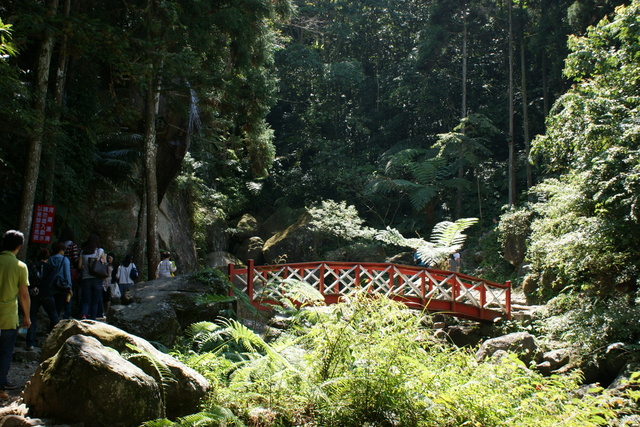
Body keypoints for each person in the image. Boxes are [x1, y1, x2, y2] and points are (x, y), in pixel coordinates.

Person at [0, 230, 30, 399]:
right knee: (5, 352)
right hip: (8, 317)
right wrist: (26, 316)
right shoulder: (19, 266)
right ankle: (0, 385)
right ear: (19, 246)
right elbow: (24, 295)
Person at [26, 247, 60, 350]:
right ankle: (54, 339)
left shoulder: (30, 266)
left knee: (32, 317)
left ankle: (30, 343)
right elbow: (51, 282)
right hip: (46, 294)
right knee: (54, 316)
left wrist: (33, 288)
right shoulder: (50, 268)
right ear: (47, 257)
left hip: (33, 294)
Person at [77, 234, 106, 320]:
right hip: (97, 279)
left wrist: (86, 267)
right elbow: (103, 264)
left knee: (86, 300)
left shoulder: (83, 252)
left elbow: (79, 266)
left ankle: (84, 315)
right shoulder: (100, 251)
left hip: (86, 279)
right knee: (95, 301)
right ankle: (93, 318)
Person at [59, 227, 80, 317]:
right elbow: (75, 258)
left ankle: (60, 311)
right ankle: (67, 313)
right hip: (71, 271)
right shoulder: (73, 245)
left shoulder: (60, 245)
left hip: (60, 272)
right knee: (69, 292)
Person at [50, 241, 73, 320]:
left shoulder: (51, 259)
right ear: (61, 250)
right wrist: (70, 286)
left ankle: (52, 323)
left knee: (54, 307)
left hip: (52, 285)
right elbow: (67, 274)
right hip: (62, 285)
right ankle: (57, 325)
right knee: (63, 306)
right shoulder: (65, 259)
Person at [101, 253, 116, 319]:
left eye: (110, 258)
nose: (108, 259)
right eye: (108, 258)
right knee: (103, 298)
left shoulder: (113, 266)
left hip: (109, 283)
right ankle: (103, 311)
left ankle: (107, 311)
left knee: (108, 298)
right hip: (103, 283)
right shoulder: (105, 265)